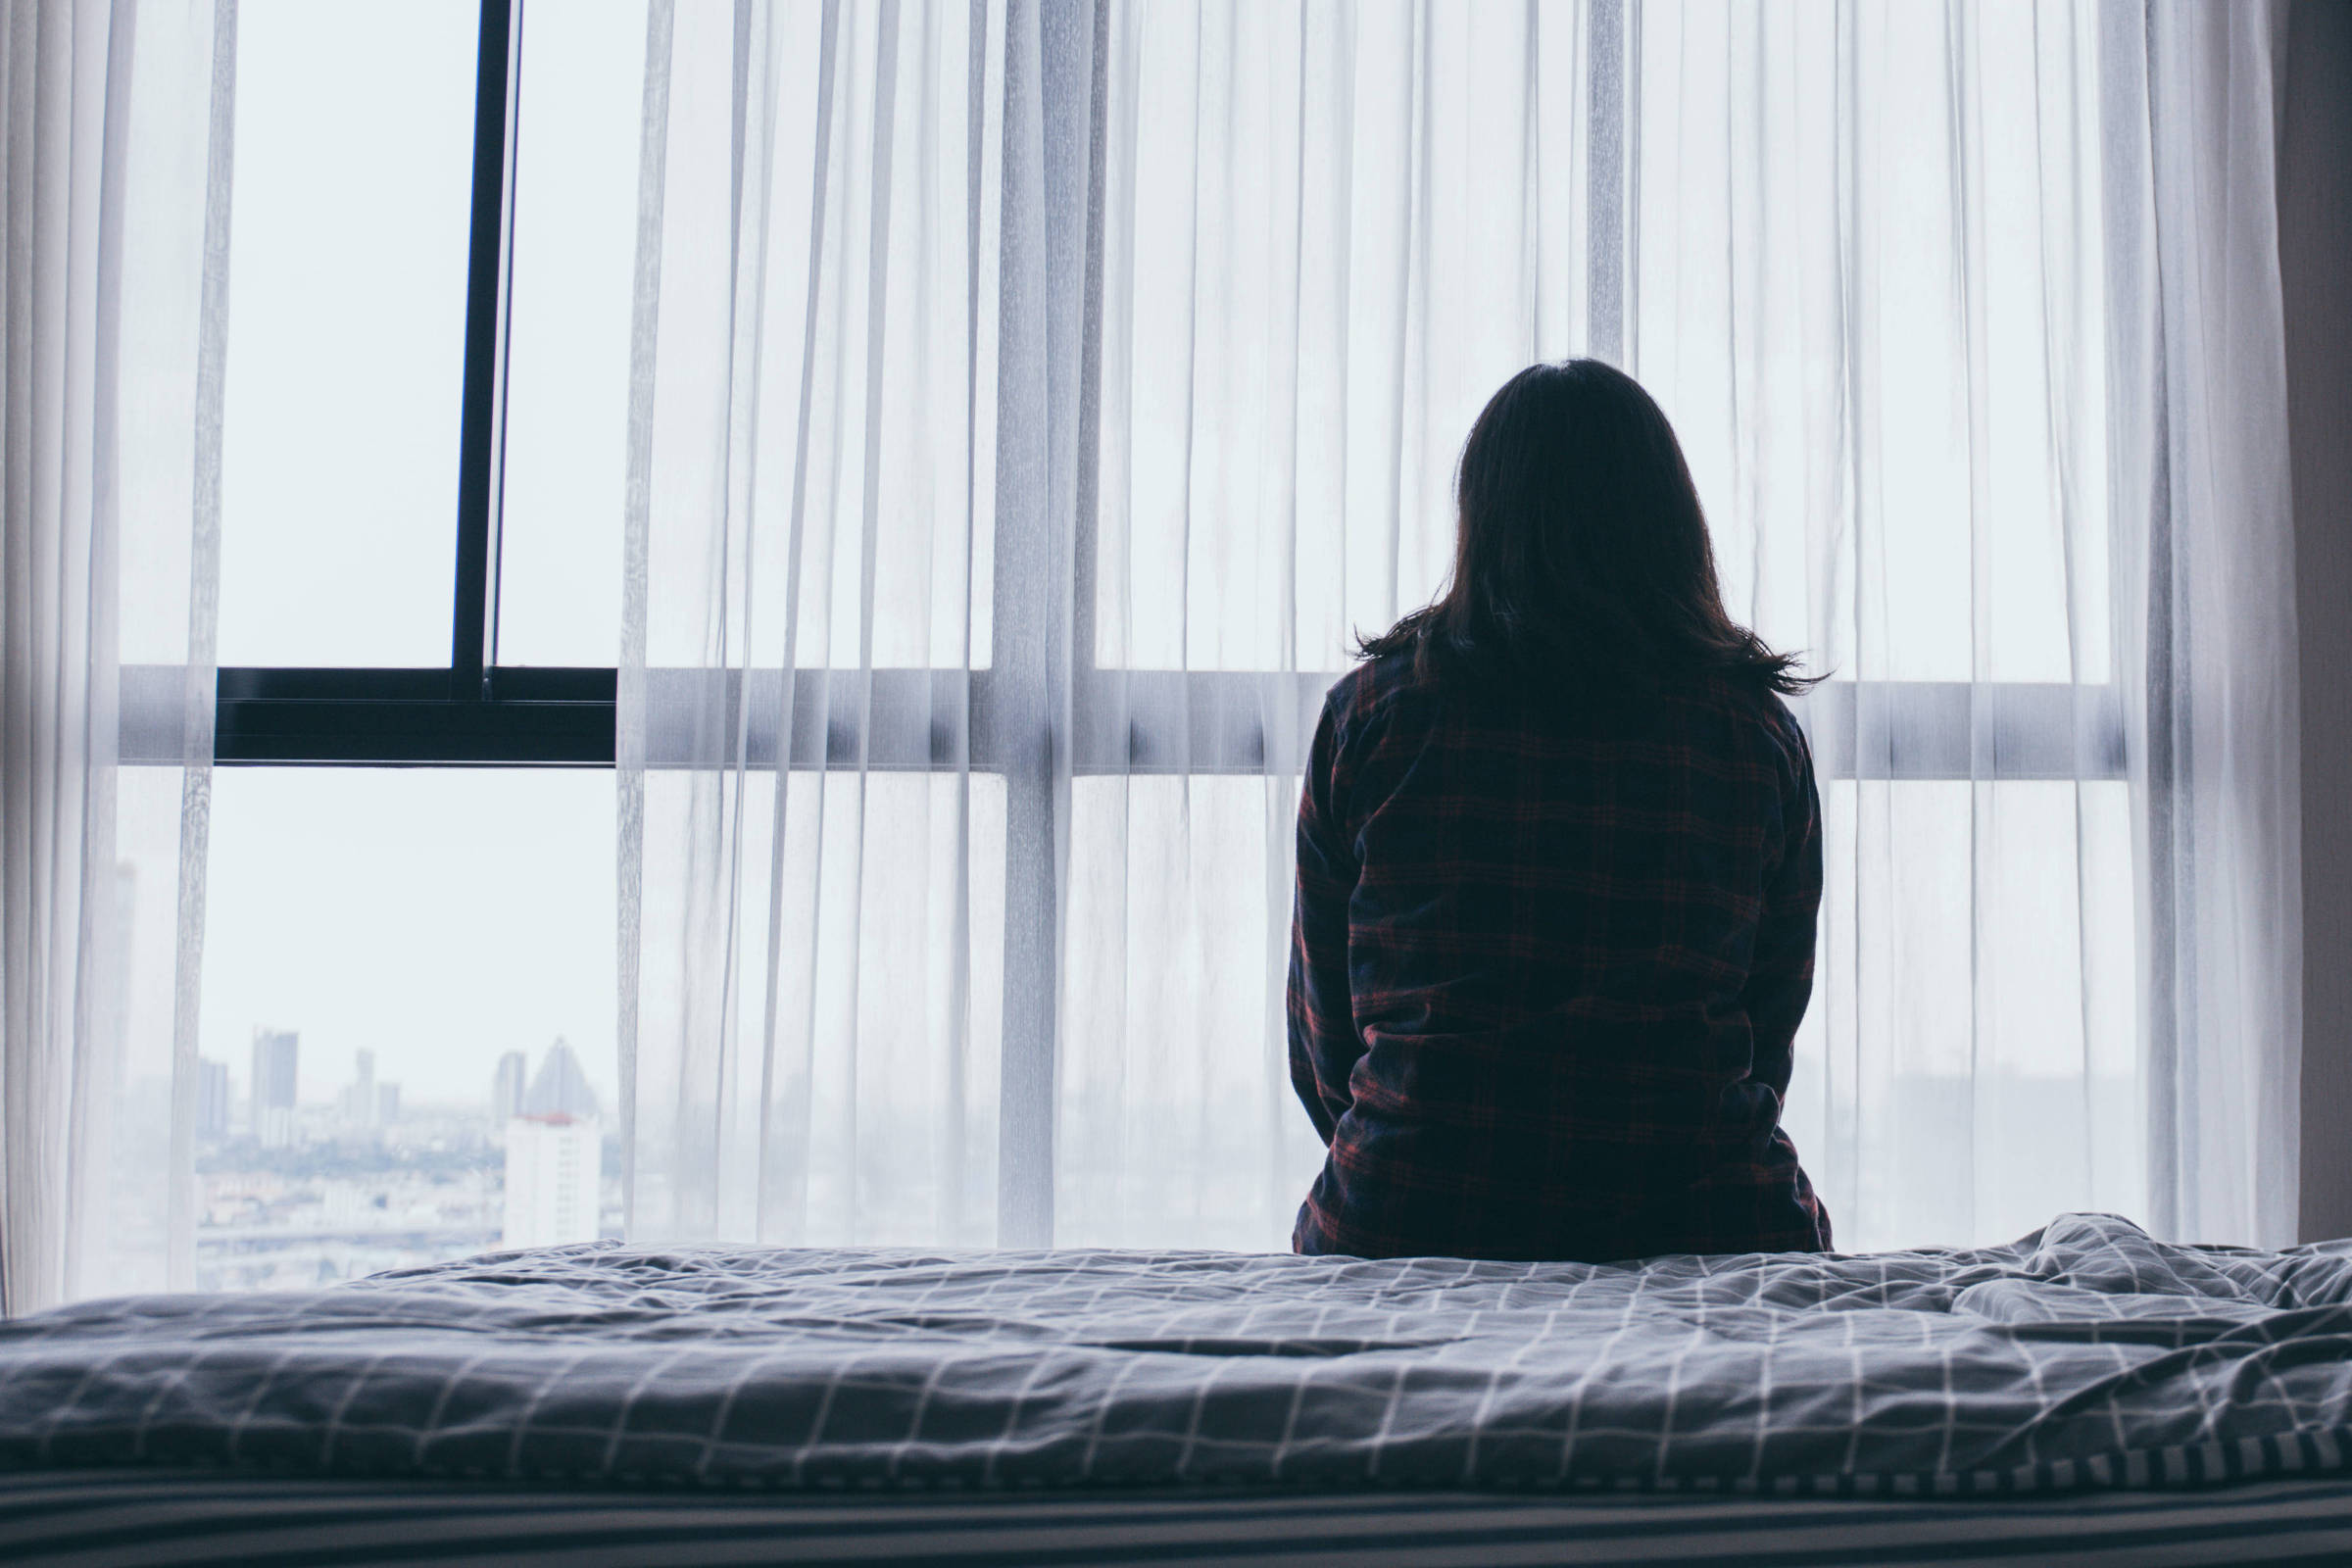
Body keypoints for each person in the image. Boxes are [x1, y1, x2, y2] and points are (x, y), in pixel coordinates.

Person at [1287, 359, 1832, 1262]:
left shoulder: (1370, 717)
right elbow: (1767, 1022)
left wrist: (1428, 1138)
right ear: (1670, 522)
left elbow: (1325, 1041)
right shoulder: (1753, 734)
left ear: (1482, 518)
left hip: (1404, 1209)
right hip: (1712, 1216)